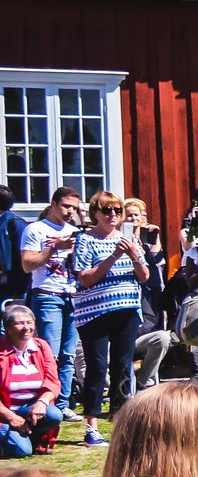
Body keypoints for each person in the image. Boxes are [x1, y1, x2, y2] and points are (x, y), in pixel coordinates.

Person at [70, 191, 148, 449]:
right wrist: (114, 256)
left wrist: (133, 255)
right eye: (107, 211)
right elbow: (85, 278)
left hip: (125, 308)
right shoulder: (85, 240)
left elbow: (144, 276)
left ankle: (120, 421)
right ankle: (91, 425)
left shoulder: (129, 240)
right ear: (96, 214)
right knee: (97, 366)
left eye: (117, 211)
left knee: (123, 365)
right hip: (94, 312)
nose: (112, 215)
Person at [20, 188, 82, 418]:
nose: (70, 212)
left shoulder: (75, 231)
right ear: (54, 204)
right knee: (49, 353)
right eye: (66, 206)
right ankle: (47, 402)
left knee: (68, 354)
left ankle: (63, 403)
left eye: (74, 208)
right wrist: (54, 247)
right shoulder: (36, 229)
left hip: (72, 296)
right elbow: (27, 263)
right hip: (47, 295)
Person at [0, 305, 61, 458]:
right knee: (22, 451)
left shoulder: (41, 346)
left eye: (29, 322)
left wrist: (42, 402)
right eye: (20, 323)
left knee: (54, 414)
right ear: (7, 327)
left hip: (29, 409)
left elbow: (53, 380)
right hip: (4, 412)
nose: (26, 327)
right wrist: (11, 417)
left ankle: (30, 435)